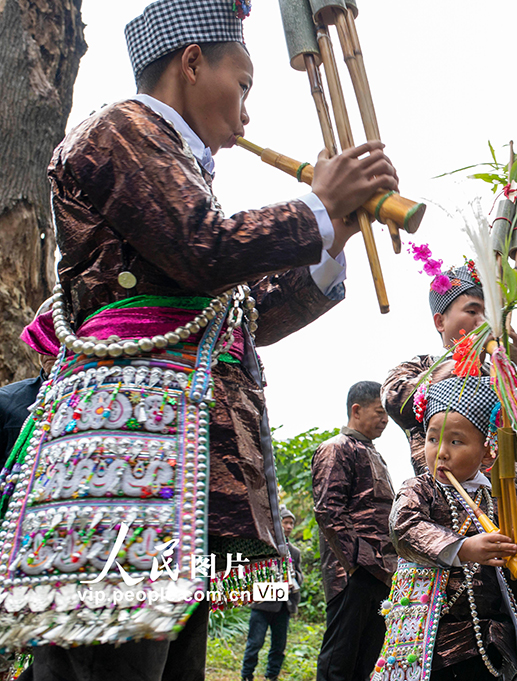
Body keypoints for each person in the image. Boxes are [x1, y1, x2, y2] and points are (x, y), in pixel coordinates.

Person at [4, 0, 400, 677]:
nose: (247, 115)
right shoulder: (119, 129)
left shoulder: (179, 171)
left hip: (176, 466)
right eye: (242, 86)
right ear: (192, 63)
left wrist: (331, 238)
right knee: (113, 652)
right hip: (124, 453)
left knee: (166, 661)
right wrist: (317, 209)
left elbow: (246, 315)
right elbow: (204, 248)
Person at [382, 376, 517, 681]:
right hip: (434, 635)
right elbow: (405, 527)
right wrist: (465, 548)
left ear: (487, 451)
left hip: (490, 633)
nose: (440, 452)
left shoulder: (495, 497)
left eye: (455, 441)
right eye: (432, 439)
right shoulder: (419, 488)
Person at [382, 262, 517, 475]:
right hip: (440, 501)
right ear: (440, 322)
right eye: (472, 311)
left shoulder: (501, 374)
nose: (483, 322)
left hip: (509, 503)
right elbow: (395, 401)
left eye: (490, 315)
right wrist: (461, 361)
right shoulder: (418, 367)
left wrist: (514, 369)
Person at [311, 381, 396, 681]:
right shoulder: (336, 448)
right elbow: (328, 510)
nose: (386, 419)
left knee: (367, 661)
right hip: (351, 573)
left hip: (379, 572)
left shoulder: (372, 452)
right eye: (379, 411)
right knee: (339, 660)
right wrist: (357, 563)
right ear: (356, 410)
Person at [242, 507, 302, 681]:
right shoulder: (265, 546)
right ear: (278, 523)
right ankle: (247, 676)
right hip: (263, 602)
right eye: (286, 522)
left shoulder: (295, 552)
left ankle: (272, 676)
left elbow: (299, 576)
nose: (289, 526)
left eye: (291, 523)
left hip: (284, 605)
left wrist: (293, 576)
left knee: (279, 646)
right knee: (255, 643)